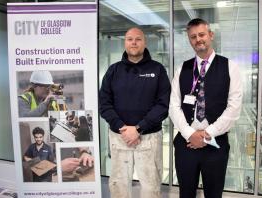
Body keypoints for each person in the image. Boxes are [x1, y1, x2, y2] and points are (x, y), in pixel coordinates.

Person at [169, 18, 242, 198]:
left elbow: (234, 108)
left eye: (201, 34)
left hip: (215, 145)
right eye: (193, 36)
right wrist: (190, 134)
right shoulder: (182, 69)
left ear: (211, 35)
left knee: (214, 194)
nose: (198, 39)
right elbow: (173, 106)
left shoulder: (230, 67)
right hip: (186, 144)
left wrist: (207, 134)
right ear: (189, 40)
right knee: (185, 193)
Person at [99, 27, 171, 198]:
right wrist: (123, 128)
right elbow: (104, 104)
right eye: (129, 39)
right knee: (119, 187)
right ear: (125, 42)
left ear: (144, 42)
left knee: (151, 187)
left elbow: (164, 104)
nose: (133, 42)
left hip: (149, 138)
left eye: (138, 39)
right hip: (120, 137)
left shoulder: (158, 69)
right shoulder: (113, 70)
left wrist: (139, 128)